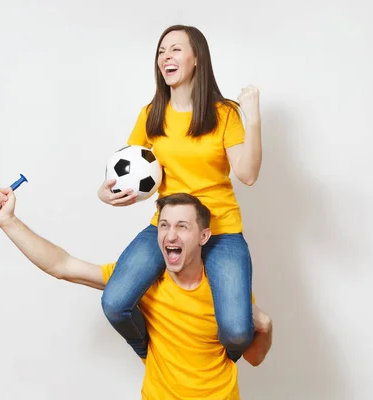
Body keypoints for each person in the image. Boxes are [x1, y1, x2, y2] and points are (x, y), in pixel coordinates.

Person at [0, 187, 273, 399]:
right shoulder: (143, 284)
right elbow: (63, 265)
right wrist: (8, 221)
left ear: (203, 236)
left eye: (182, 227)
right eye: (164, 225)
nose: (170, 235)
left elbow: (255, 358)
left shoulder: (226, 291)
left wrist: (266, 328)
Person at [97, 24, 263, 363]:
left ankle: (210, 365)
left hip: (220, 230)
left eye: (174, 49)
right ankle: (158, 356)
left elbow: (246, 174)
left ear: (197, 57)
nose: (165, 57)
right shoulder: (151, 114)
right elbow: (127, 169)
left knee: (237, 332)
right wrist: (106, 193)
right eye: (161, 51)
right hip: (168, 226)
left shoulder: (224, 114)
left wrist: (254, 118)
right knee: (115, 303)